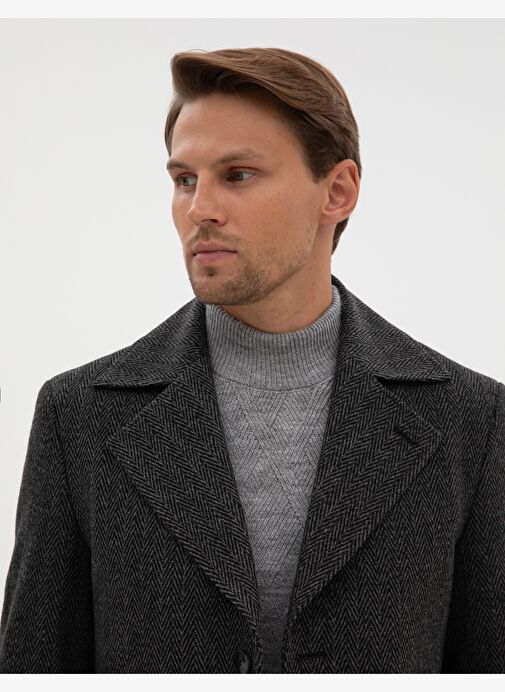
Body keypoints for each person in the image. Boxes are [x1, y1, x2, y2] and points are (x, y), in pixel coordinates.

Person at [0, 46, 504, 674]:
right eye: (184, 179)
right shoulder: (79, 416)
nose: (198, 209)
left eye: (237, 175)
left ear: (338, 191)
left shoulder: (468, 418)